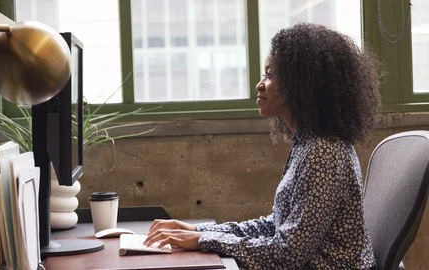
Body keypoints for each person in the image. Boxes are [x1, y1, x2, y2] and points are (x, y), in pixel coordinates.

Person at [143, 23, 381, 269]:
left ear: (303, 85)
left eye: (271, 75)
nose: (260, 84)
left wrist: (205, 240)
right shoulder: (308, 144)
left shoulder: (324, 152)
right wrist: (199, 231)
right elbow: (277, 226)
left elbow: (287, 254)